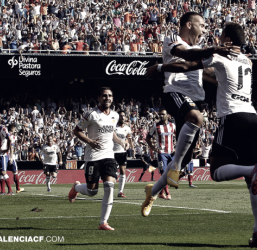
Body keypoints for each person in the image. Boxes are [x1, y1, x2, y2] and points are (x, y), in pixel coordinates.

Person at [146, 22, 257, 248]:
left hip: (232, 118)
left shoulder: (220, 57)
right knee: (253, 182)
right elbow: (216, 77)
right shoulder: (248, 61)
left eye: (221, 36)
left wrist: (160, 68)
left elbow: (187, 66)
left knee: (216, 171)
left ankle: (252, 170)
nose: (218, 39)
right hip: (252, 119)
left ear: (228, 41)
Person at [141, 12, 239, 217]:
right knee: (197, 119)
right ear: (188, 24)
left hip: (195, 100)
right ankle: (174, 167)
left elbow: (204, 72)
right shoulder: (173, 39)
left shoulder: (199, 51)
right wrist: (214, 49)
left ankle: (153, 191)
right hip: (175, 93)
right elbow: (186, 57)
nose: (205, 29)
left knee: (185, 159)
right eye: (202, 25)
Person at [68, 87, 128, 231]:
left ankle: (103, 222)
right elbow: (76, 130)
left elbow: (111, 133)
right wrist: (90, 142)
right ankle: (76, 187)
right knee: (92, 191)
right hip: (93, 157)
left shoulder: (115, 115)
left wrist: (120, 142)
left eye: (110, 96)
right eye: (104, 96)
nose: (107, 98)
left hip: (109, 155)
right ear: (99, 98)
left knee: (109, 186)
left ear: (112, 98)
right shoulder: (91, 114)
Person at [145, 108, 176, 199]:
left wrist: (177, 146)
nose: (161, 116)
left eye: (163, 114)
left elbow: (178, 136)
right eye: (160, 114)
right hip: (161, 153)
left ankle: (160, 193)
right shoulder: (156, 126)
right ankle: (167, 193)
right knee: (164, 174)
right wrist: (152, 147)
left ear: (167, 115)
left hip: (171, 152)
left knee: (171, 173)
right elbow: (148, 138)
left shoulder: (173, 126)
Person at [114, 110, 133, 198]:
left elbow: (129, 139)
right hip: (112, 152)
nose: (122, 117)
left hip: (122, 152)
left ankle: (120, 192)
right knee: (112, 172)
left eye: (123, 116)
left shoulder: (127, 128)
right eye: (121, 116)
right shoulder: (114, 127)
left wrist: (131, 148)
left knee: (123, 171)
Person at [0, 117, 14, 195]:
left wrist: (7, 149)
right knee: (0, 173)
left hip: (3, 155)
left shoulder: (3, 129)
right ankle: (2, 191)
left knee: (4, 172)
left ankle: (10, 191)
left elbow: (10, 139)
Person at [7, 124, 24, 193]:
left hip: (3, 156)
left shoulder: (4, 135)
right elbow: (11, 147)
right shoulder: (12, 136)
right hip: (10, 156)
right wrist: (11, 157)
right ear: (13, 129)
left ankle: (1, 190)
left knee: (2, 173)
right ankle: (18, 188)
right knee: (15, 172)